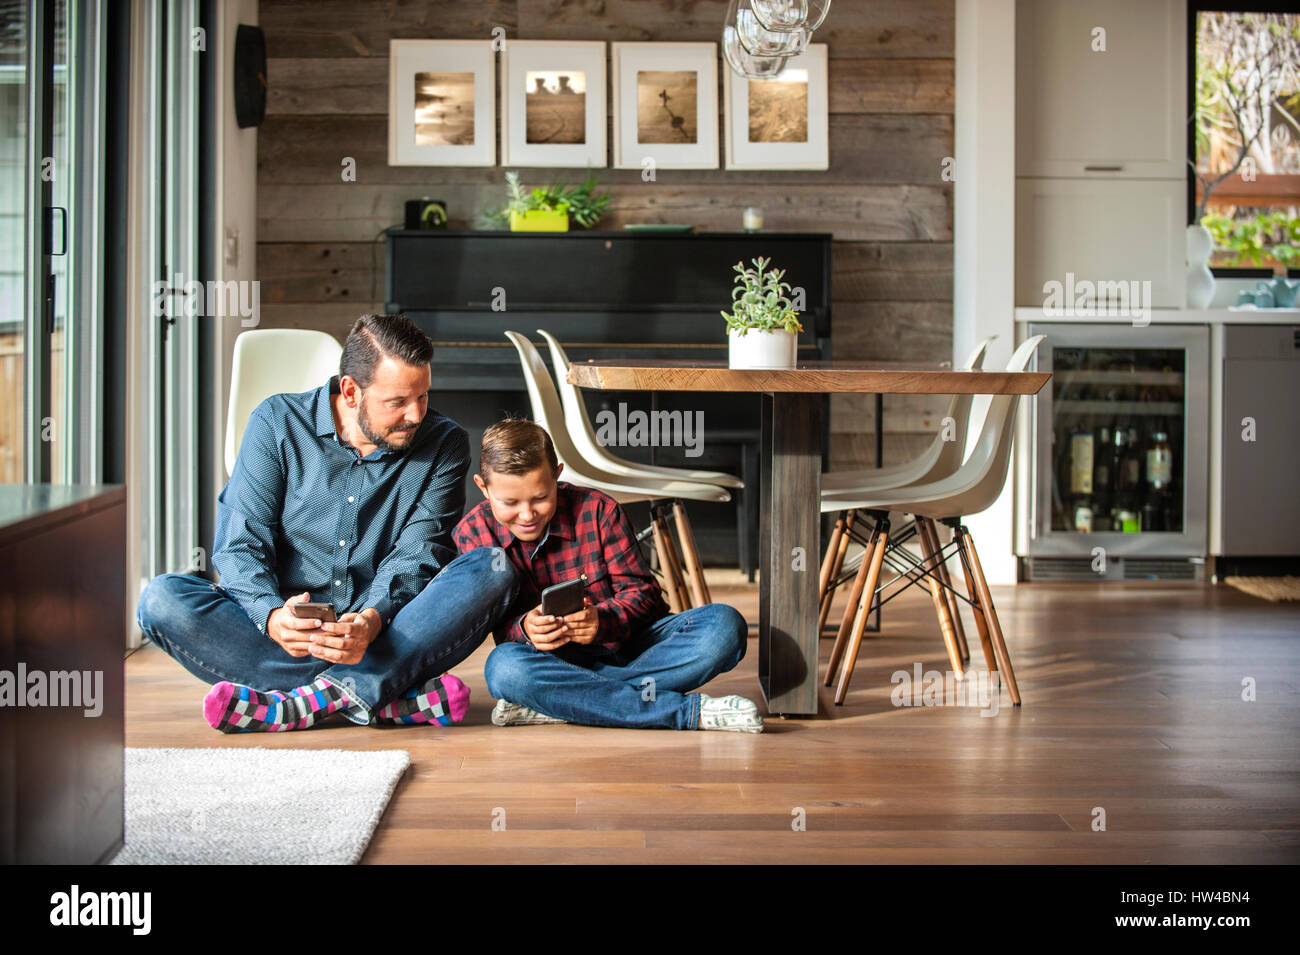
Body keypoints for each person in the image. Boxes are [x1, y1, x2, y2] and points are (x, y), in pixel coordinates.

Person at [135, 313, 519, 733]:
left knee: (491, 568)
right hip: (284, 638)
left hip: (383, 633)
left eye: (423, 396)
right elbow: (241, 543)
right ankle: (378, 695)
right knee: (162, 599)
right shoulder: (277, 422)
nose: (415, 414)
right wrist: (271, 617)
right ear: (351, 391)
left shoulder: (444, 442)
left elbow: (420, 552)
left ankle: (304, 703)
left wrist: (373, 618)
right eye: (397, 402)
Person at [453, 418, 762, 733]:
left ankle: (562, 702)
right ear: (483, 487)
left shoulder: (599, 511)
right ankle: (681, 712)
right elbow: (495, 630)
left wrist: (603, 620)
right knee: (504, 669)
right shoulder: (473, 534)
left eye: (540, 497)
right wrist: (526, 630)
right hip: (553, 664)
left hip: (630, 650)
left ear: (557, 476)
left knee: (724, 628)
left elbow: (646, 597)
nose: (527, 514)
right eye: (510, 503)